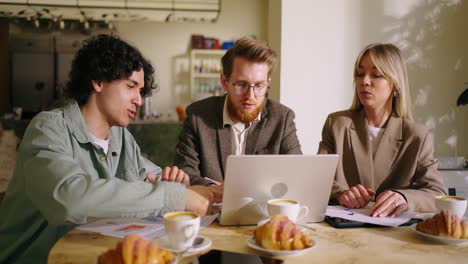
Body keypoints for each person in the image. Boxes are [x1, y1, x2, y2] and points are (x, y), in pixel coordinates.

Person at [0, 34, 214, 264]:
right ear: (98, 81)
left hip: (89, 255)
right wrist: (173, 196)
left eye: (141, 91)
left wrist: (177, 182)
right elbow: (68, 198)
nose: (139, 100)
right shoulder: (48, 128)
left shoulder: (121, 137)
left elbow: (151, 175)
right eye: (131, 86)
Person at [318, 43, 447, 217]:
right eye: (360, 73)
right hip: (342, 230)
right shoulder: (337, 124)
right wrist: (340, 193)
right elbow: (317, 178)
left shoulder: (417, 136)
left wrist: (404, 198)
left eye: (376, 75)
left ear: (394, 84)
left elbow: (437, 193)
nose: (365, 81)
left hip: (394, 236)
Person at [174, 37, 302, 188]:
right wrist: (218, 191)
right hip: (213, 208)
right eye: (241, 84)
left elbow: (296, 174)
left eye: (259, 85)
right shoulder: (198, 116)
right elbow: (185, 172)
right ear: (224, 81)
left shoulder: (282, 118)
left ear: (268, 82)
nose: (250, 96)